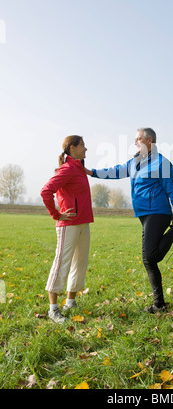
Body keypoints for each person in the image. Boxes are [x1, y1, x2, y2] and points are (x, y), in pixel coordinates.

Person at [86, 128, 173, 313]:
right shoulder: (135, 161)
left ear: (149, 140)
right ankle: (159, 304)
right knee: (150, 260)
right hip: (143, 214)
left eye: (138, 138)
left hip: (157, 212)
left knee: (150, 257)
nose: (135, 142)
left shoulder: (161, 163)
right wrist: (91, 172)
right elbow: (116, 171)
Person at [40, 136, 94, 323]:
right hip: (68, 225)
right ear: (72, 148)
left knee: (79, 264)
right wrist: (56, 214)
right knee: (62, 263)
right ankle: (53, 309)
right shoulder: (68, 169)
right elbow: (46, 191)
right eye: (82, 146)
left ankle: (70, 301)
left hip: (83, 223)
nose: (86, 149)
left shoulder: (79, 168)